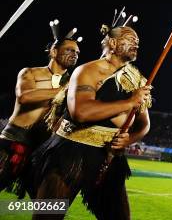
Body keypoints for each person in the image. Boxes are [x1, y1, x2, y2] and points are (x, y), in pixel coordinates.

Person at [29, 13, 151, 220]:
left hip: (109, 157)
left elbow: (144, 124)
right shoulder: (88, 71)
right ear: (112, 42)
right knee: (47, 215)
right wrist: (130, 102)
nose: (136, 45)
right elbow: (81, 112)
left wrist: (127, 140)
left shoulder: (137, 80)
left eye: (137, 42)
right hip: (71, 153)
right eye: (130, 40)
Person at [0, 19, 81, 197]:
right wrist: (65, 90)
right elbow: (25, 96)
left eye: (77, 52)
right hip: (14, 140)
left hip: (43, 149)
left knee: (48, 207)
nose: (74, 54)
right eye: (69, 50)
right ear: (53, 51)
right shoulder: (30, 73)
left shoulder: (74, 83)